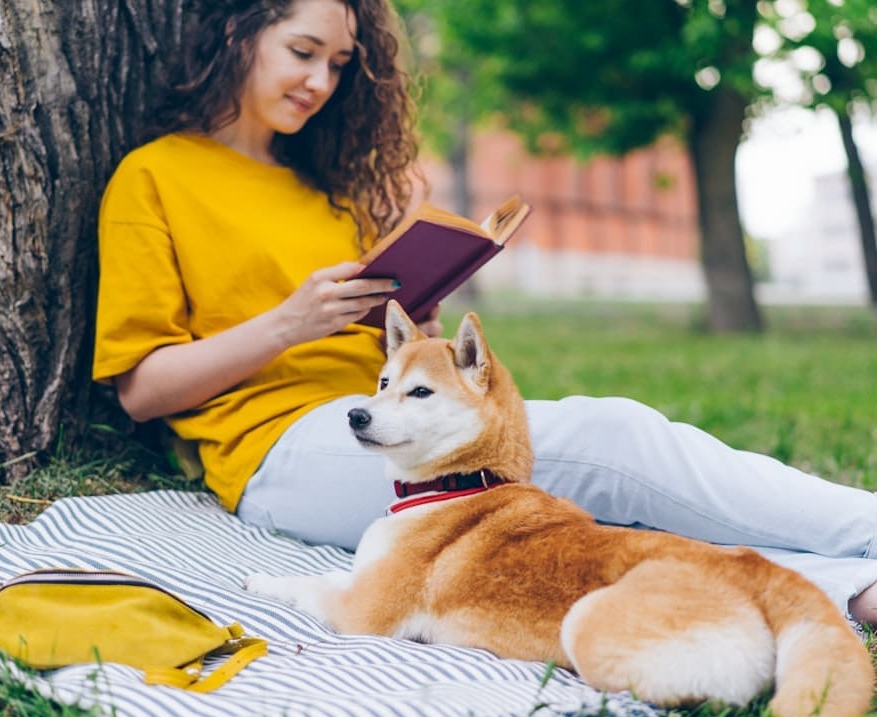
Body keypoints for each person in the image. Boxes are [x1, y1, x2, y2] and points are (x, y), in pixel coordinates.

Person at [92, 0, 877, 623]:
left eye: (338, 64)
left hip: (388, 413)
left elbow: (370, 344)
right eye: (303, 53)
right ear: (235, 33)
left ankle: (850, 588)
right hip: (278, 453)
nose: (322, 83)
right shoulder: (155, 175)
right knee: (607, 439)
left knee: (582, 523)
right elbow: (141, 389)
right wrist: (291, 323)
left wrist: (416, 332)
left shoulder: (322, 188)